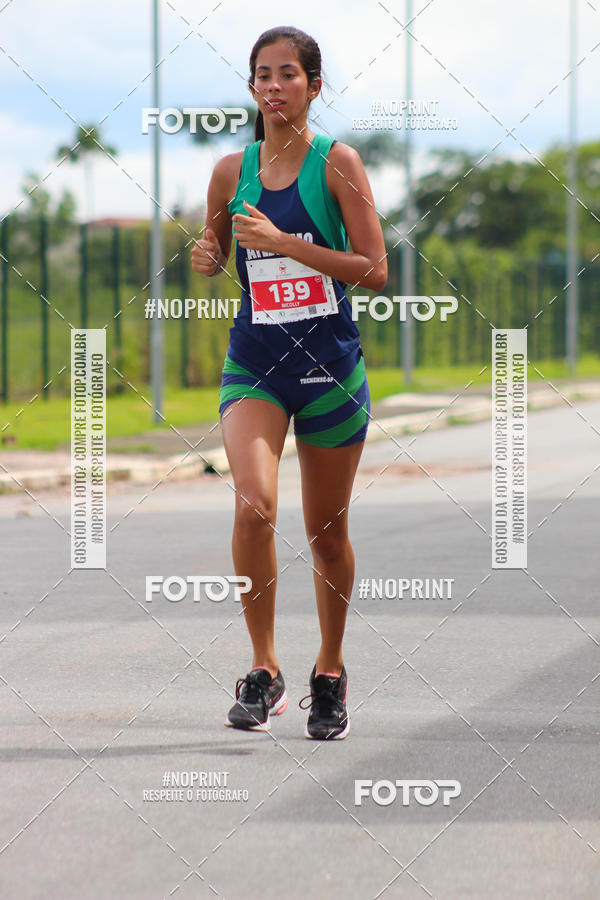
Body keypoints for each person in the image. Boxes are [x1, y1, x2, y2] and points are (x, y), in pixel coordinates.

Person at [191, 25, 387, 740]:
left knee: (326, 535)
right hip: (257, 365)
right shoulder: (229, 172)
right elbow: (215, 249)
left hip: (329, 368)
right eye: (262, 75)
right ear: (251, 87)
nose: (273, 86)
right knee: (253, 506)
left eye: (287, 74)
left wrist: (285, 245)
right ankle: (264, 668)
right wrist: (208, 255)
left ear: (313, 85)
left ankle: (329, 672)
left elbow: (375, 269)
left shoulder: (338, 164)